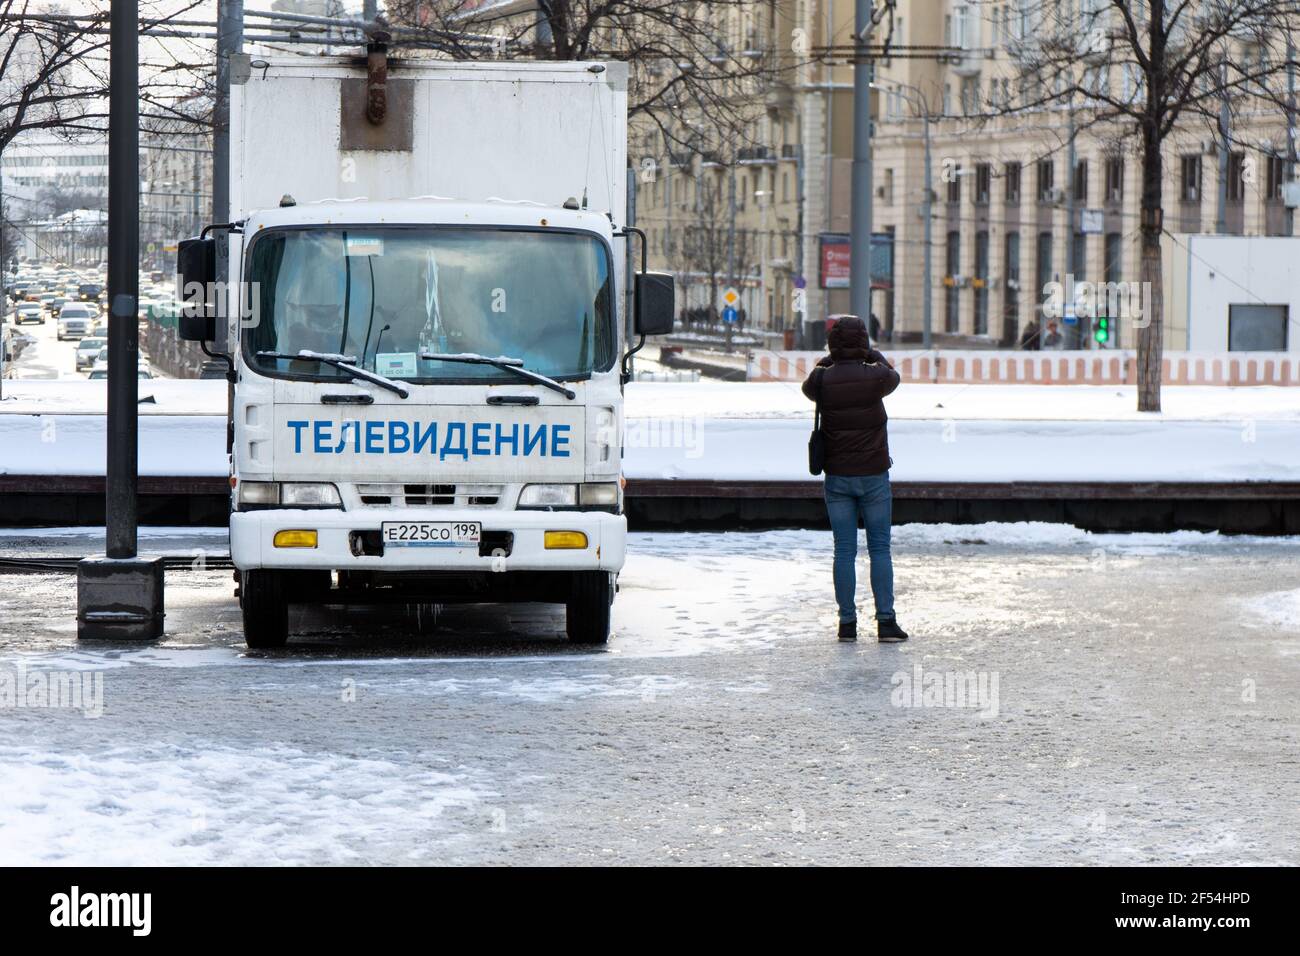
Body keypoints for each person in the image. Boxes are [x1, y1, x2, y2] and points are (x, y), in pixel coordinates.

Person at [801, 315, 908, 644]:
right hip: (874, 475)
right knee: (880, 550)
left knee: (844, 551)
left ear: (832, 343)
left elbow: (808, 386)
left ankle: (847, 623)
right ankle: (886, 622)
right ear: (864, 341)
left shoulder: (822, 379)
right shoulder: (875, 377)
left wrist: (831, 359)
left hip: (838, 477)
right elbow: (894, 376)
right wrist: (872, 354)